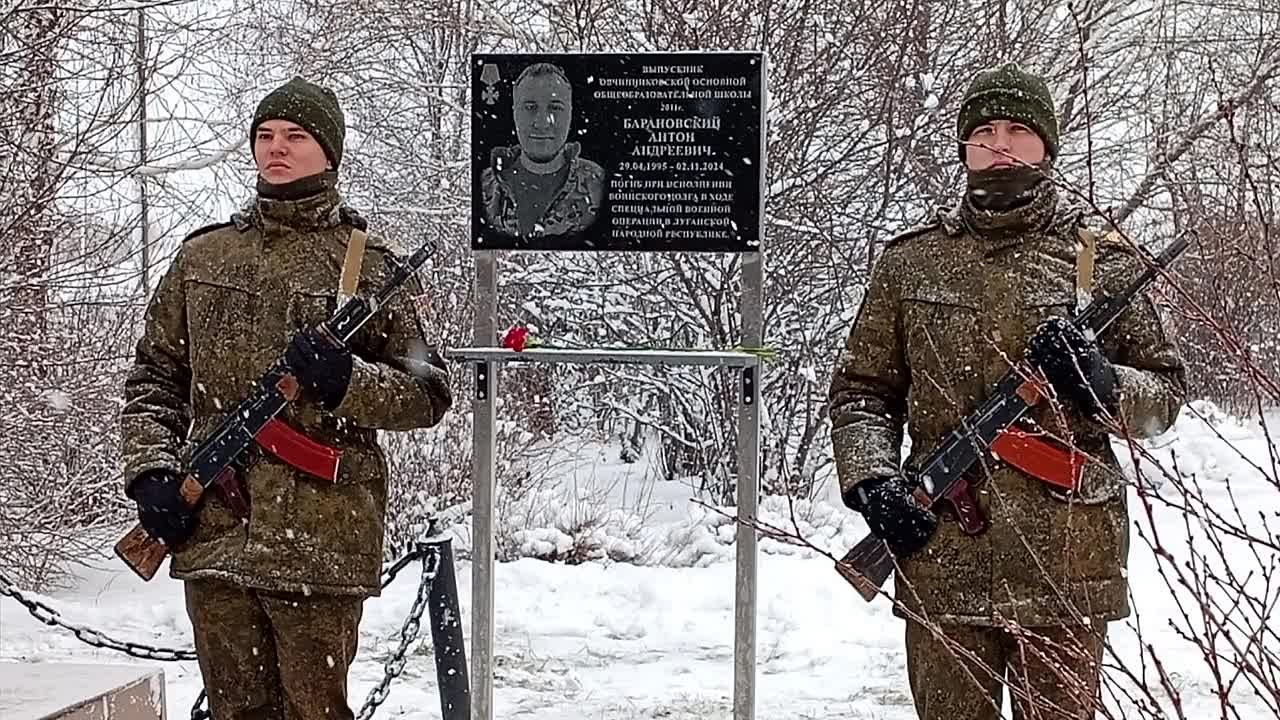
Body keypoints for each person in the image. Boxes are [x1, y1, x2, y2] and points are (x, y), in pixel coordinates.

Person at [828, 62, 1187, 720]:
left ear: (1046, 145)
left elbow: (1165, 391)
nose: (1000, 145)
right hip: (944, 558)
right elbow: (861, 394)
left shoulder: (1098, 261)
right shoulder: (912, 261)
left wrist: (1104, 385)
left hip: (1066, 565)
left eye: (1019, 130)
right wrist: (875, 484)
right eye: (984, 130)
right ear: (964, 145)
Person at [119, 76, 453, 720]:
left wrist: (345, 382)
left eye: (296, 137)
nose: (277, 148)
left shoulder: (367, 268)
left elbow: (427, 393)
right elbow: (154, 379)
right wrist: (153, 474)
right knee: (233, 710)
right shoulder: (203, 257)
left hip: (321, 541)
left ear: (330, 152)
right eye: (265, 136)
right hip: (215, 531)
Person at [480, 62, 605, 238]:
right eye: (530, 108)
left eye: (555, 108)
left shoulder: (597, 183)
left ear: (570, 113)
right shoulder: (486, 186)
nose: (542, 122)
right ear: (514, 113)